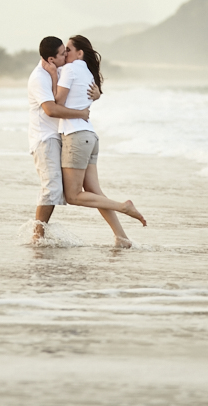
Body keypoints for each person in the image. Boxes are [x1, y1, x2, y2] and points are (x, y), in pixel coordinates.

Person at [53, 35, 146, 247]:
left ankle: (123, 207)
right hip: (89, 137)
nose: (65, 52)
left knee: (74, 195)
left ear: (79, 53)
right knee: (95, 194)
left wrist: (50, 73)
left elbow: (57, 101)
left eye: (68, 49)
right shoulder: (87, 71)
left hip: (76, 136)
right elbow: (88, 94)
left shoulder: (71, 69)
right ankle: (122, 238)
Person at [27, 36, 98, 242]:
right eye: (62, 53)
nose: (66, 55)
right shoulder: (39, 77)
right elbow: (51, 109)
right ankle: (37, 237)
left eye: (66, 50)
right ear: (51, 59)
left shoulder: (57, 69)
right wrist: (81, 114)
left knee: (59, 190)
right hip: (44, 138)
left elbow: (75, 86)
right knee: (52, 188)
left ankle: (39, 235)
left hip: (60, 136)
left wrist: (97, 93)